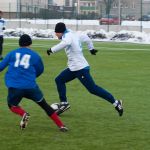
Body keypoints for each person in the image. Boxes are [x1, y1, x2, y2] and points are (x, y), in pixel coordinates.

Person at [47, 22, 123, 116]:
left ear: (60, 32)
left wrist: (51, 50)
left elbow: (65, 43)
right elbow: (86, 38)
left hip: (80, 68)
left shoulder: (67, 37)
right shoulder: (73, 34)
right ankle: (64, 103)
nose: (55, 34)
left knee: (93, 89)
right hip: (73, 68)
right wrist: (91, 49)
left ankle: (116, 103)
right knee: (59, 80)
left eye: (56, 32)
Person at [0, 34, 68, 132]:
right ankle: (61, 126)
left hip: (15, 87)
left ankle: (24, 114)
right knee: (44, 105)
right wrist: (31, 77)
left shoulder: (12, 53)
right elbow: (40, 69)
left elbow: (1, 67)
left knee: (12, 105)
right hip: (30, 87)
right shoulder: (35, 55)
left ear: (19, 44)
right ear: (30, 44)